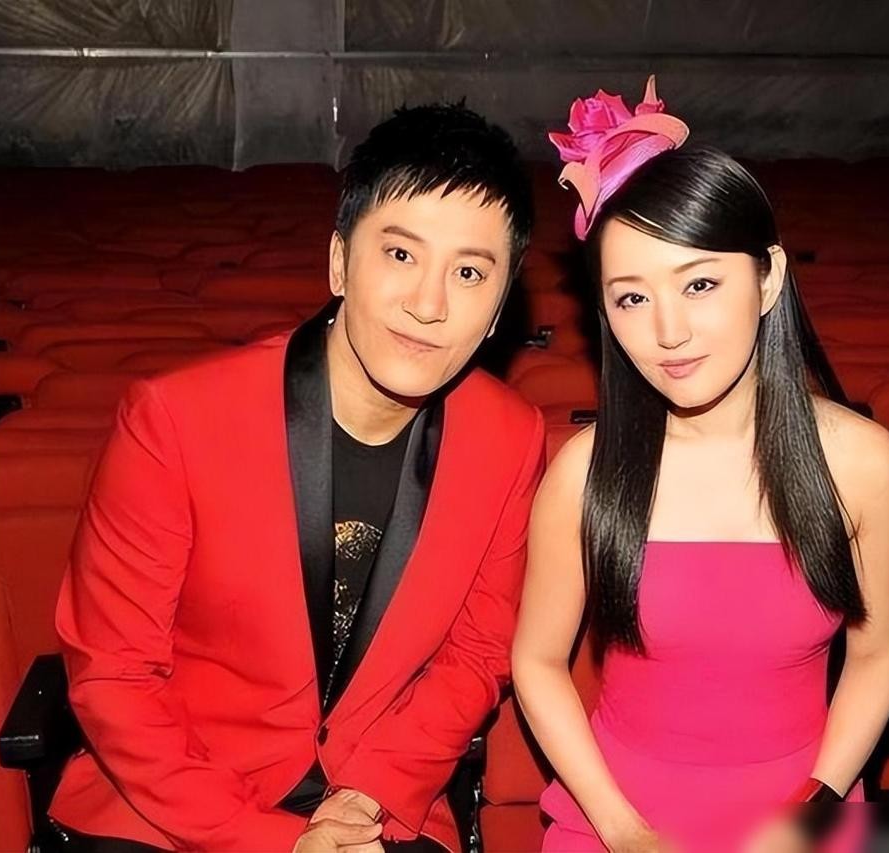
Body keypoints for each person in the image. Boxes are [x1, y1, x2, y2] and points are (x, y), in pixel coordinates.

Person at [49, 102, 543, 853]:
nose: (429, 304)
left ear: (500, 306)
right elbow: (114, 676)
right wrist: (269, 840)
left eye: (469, 272)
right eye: (400, 255)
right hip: (174, 797)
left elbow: (477, 653)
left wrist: (366, 796)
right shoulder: (175, 418)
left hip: (377, 794)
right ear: (340, 261)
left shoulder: (510, 437)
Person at [511, 77, 889, 853]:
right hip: (616, 816)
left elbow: (878, 652)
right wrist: (623, 830)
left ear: (768, 278)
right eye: (631, 298)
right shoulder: (585, 473)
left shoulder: (862, 462)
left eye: (699, 284)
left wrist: (815, 809)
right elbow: (537, 659)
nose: (669, 331)